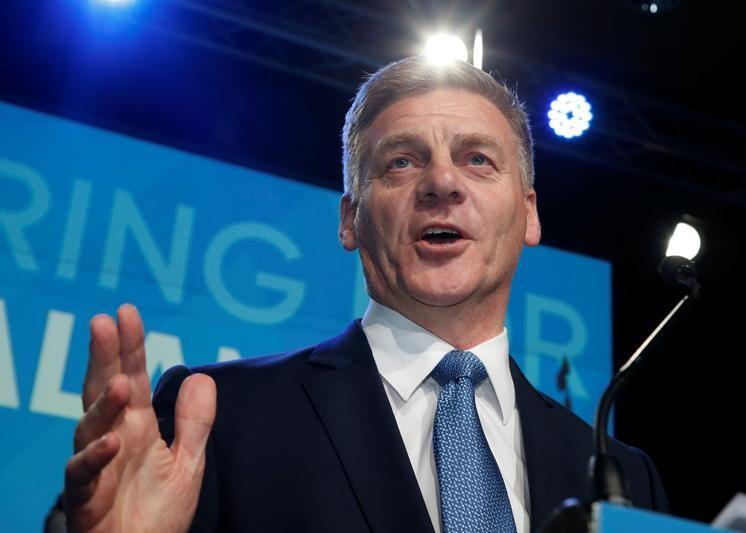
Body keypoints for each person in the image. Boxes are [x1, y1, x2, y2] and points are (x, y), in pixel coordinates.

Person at [58, 56, 667, 532]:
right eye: (401, 162)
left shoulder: (625, 479)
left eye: (478, 159)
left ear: (529, 213)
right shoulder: (223, 417)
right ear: (350, 219)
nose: (442, 183)